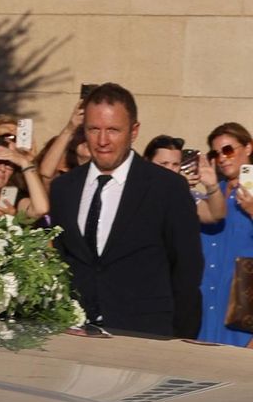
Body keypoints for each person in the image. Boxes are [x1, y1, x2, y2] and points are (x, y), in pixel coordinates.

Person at [47, 83, 202, 337]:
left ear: (134, 131)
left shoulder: (167, 188)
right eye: (94, 129)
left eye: (113, 130)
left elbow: (186, 271)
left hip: (145, 337)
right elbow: (62, 265)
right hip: (76, 339)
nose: (103, 140)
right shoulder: (64, 188)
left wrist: (179, 343)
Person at [197, 122, 253, 346]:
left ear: (248, 148)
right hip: (206, 308)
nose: (222, 158)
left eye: (228, 150)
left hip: (243, 313)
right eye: (215, 153)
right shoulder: (213, 194)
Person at [145, 133, 223, 224]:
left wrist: (212, 187)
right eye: (164, 164)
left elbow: (215, 216)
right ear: (147, 162)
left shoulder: (183, 193)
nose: (170, 169)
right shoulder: (136, 189)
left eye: (175, 164)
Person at [0, 137, 49, 220]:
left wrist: (25, 163)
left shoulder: (13, 196)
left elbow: (41, 210)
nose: (2, 169)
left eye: (8, 164)